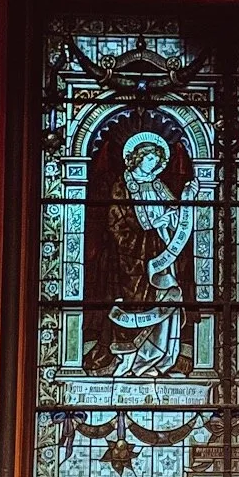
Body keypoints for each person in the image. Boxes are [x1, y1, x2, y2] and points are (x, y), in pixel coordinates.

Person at [104, 132, 195, 376]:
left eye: (157, 158)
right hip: (133, 260)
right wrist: (152, 227)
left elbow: (175, 214)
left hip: (162, 254)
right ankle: (129, 361)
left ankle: (156, 359)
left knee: (165, 301)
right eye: (149, 158)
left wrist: (183, 204)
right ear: (136, 158)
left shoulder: (158, 185)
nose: (154, 163)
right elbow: (118, 225)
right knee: (135, 307)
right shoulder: (122, 187)